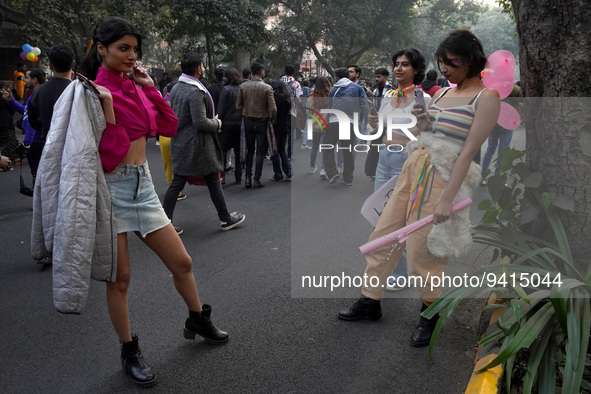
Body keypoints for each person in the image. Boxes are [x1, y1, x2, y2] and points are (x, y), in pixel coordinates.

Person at [80, 16, 229, 386]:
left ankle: (197, 318)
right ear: (102, 49)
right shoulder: (92, 93)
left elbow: (168, 126)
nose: (132, 56)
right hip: (111, 188)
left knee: (182, 261)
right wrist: (110, 110)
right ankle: (129, 351)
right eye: (123, 48)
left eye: (134, 49)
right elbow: (109, 154)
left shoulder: (135, 85)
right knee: (120, 280)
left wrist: (151, 89)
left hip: (143, 185)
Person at [338, 29, 500, 348]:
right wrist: (423, 121)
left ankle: (430, 314)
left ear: (470, 59)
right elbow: (428, 132)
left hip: (443, 177)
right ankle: (370, 301)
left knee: (422, 253)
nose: (445, 69)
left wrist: (447, 198)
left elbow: (468, 152)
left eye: (451, 62)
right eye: (442, 63)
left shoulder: (487, 97)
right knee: (381, 236)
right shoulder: (439, 93)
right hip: (414, 165)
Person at [162, 53, 245, 234]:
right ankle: (225, 218)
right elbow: (200, 122)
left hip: (180, 142)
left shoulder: (176, 88)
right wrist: (217, 123)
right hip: (198, 145)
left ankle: (166, 222)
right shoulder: (195, 92)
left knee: (181, 181)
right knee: (208, 179)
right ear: (198, 69)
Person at [369, 49, 431, 290]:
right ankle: (389, 267)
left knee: (400, 220)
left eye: (405, 64)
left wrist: (422, 127)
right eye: (396, 64)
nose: (398, 68)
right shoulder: (389, 96)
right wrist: (373, 124)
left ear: (416, 69)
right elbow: (379, 131)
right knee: (379, 219)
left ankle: (402, 272)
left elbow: (427, 133)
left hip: (405, 161)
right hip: (383, 160)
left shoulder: (422, 99)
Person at [28, 45, 75, 177]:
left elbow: (34, 123)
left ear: (50, 65)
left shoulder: (38, 92)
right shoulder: (80, 91)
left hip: (47, 149)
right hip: (73, 152)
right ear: (73, 64)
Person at [323, 67, 368, 186]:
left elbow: (329, 105)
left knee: (327, 147)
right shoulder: (358, 88)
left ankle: (332, 172)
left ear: (336, 77)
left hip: (334, 121)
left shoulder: (334, 89)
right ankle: (348, 178)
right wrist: (363, 122)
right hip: (349, 123)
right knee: (347, 150)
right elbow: (365, 106)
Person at [236, 62, 277, 189]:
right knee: (260, 151)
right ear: (261, 72)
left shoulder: (243, 87)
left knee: (249, 150)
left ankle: (247, 178)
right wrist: (271, 120)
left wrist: (244, 114)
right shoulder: (267, 88)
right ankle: (256, 179)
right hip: (262, 121)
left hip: (247, 121)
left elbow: (238, 106)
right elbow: (273, 108)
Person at [3, 68, 46, 183]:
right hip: (33, 142)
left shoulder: (39, 96)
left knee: (37, 175)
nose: (25, 80)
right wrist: (11, 101)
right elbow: (26, 111)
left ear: (35, 80)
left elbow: (33, 122)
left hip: (35, 142)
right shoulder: (33, 96)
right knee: (35, 173)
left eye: (27, 78)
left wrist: (27, 143)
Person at [480, 84, 523, 183]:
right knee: (503, 151)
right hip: (507, 122)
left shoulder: (490, 86)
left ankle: (482, 176)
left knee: (490, 148)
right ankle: (498, 178)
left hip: (493, 121)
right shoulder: (510, 87)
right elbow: (521, 97)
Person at [217, 67, 243, 184]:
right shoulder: (242, 89)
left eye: (225, 76)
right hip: (240, 124)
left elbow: (221, 109)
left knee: (222, 152)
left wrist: (218, 122)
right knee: (238, 152)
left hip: (227, 124)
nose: (223, 78)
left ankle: (221, 178)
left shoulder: (226, 90)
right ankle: (239, 177)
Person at [306, 76, 331, 177]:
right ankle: (323, 169)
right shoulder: (330, 96)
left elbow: (308, 111)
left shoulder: (311, 96)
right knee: (325, 148)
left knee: (314, 147)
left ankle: (312, 167)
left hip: (314, 125)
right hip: (326, 125)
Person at [269, 80, 293, 182]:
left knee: (274, 151)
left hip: (275, 126)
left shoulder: (274, 99)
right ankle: (288, 171)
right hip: (285, 125)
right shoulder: (287, 98)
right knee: (282, 150)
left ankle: (278, 174)